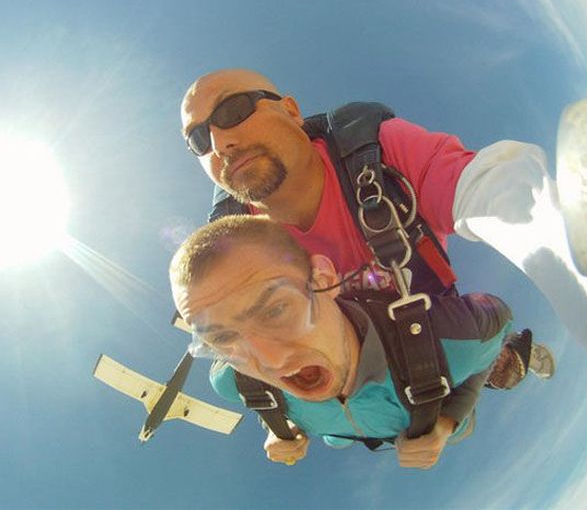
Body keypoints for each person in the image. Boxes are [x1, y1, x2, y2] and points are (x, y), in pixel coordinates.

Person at [180, 68, 563, 382]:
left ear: (291, 111)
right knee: (228, 380)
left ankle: (505, 351)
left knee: (475, 354)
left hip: (427, 318)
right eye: (198, 139)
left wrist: (570, 251)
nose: (219, 143)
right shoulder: (228, 246)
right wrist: (279, 420)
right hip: (350, 352)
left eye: (233, 111)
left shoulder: (375, 153)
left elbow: (491, 188)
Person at [170, 215, 516, 469]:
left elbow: (499, 319)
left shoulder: (455, 336)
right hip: (348, 430)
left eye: (275, 310)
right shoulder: (236, 381)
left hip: (430, 390)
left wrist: (449, 420)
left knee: (473, 405)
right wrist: (275, 421)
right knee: (335, 441)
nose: (272, 362)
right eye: (222, 337)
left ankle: (512, 361)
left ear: (323, 279)